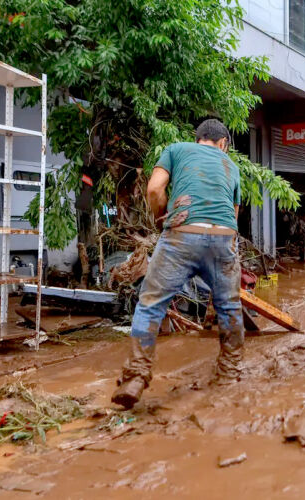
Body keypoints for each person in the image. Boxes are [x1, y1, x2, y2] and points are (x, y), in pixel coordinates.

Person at [112, 118, 244, 409]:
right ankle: (230, 374)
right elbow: (233, 217)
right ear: (224, 143)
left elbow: (154, 190)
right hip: (223, 238)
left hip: (182, 234)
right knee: (230, 305)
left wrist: (161, 217)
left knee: (150, 303)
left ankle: (136, 377)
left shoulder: (175, 149)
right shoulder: (231, 166)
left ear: (198, 139)